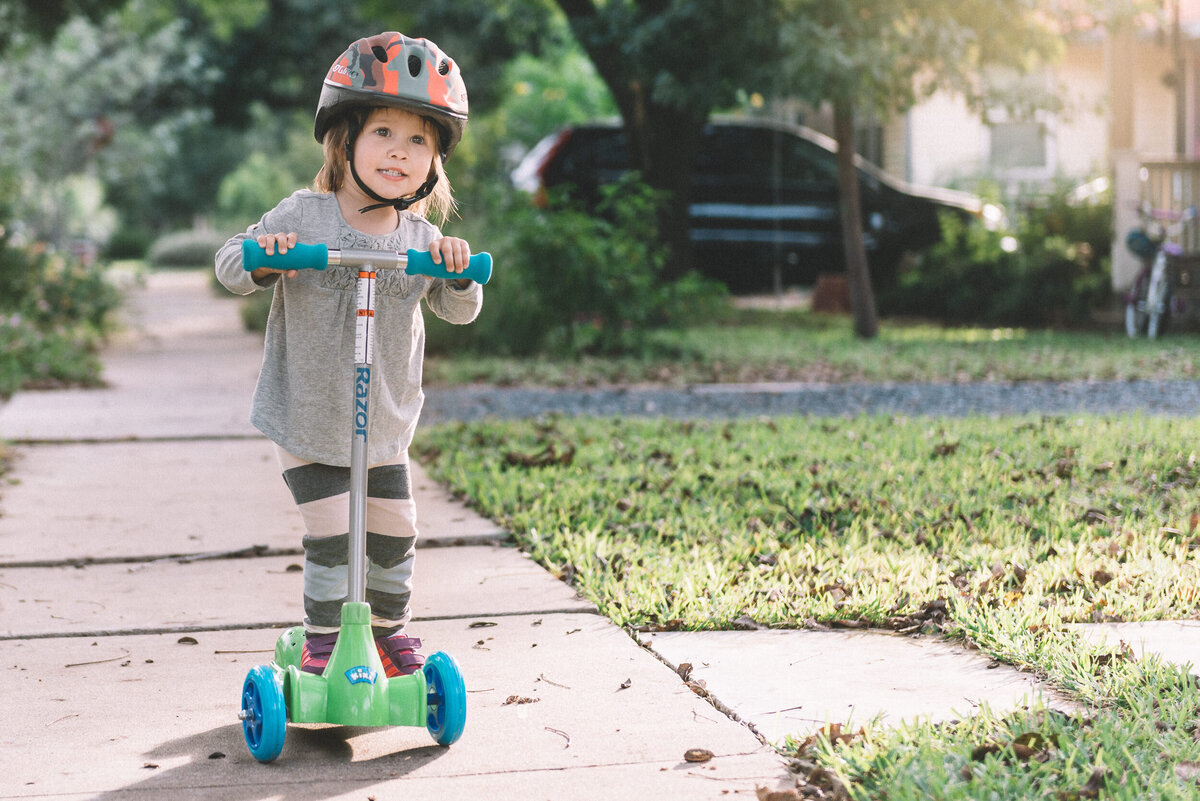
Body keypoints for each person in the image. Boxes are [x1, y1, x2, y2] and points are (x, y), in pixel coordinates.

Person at [215, 32, 481, 678]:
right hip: (308, 420)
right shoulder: (304, 217)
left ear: (434, 163)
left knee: (394, 536)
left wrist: (458, 272)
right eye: (384, 131)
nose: (400, 150)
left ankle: (389, 633)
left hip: (384, 428)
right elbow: (229, 263)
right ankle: (325, 643)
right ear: (345, 140)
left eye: (419, 140)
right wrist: (264, 258)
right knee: (334, 536)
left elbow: (461, 309)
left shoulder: (422, 237)